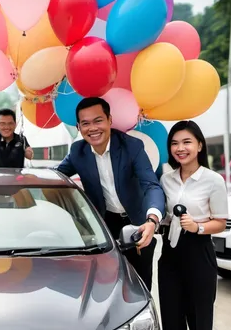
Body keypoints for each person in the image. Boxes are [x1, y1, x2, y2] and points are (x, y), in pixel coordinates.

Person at [56, 97, 165, 291]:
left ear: (109, 120)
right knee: (106, 285)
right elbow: (55, 176)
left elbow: (151, 185)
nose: (93, 128)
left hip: (138, 223)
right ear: (79, 128)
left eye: (98, 121)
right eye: (86, 123)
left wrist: (152, 220)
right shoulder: (78, 151)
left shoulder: (132, 147)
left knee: (140, 286)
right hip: (105, 225)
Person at [159, 121, 227, 330]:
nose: (180, 148)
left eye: (187, 142)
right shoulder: (166, 178)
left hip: (199, 253)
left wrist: (198, 226)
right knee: (173, 327)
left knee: (200, 326)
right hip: (170, 256)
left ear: (199, 145)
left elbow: (221, 222)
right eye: (175, 143)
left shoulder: (213, 180)